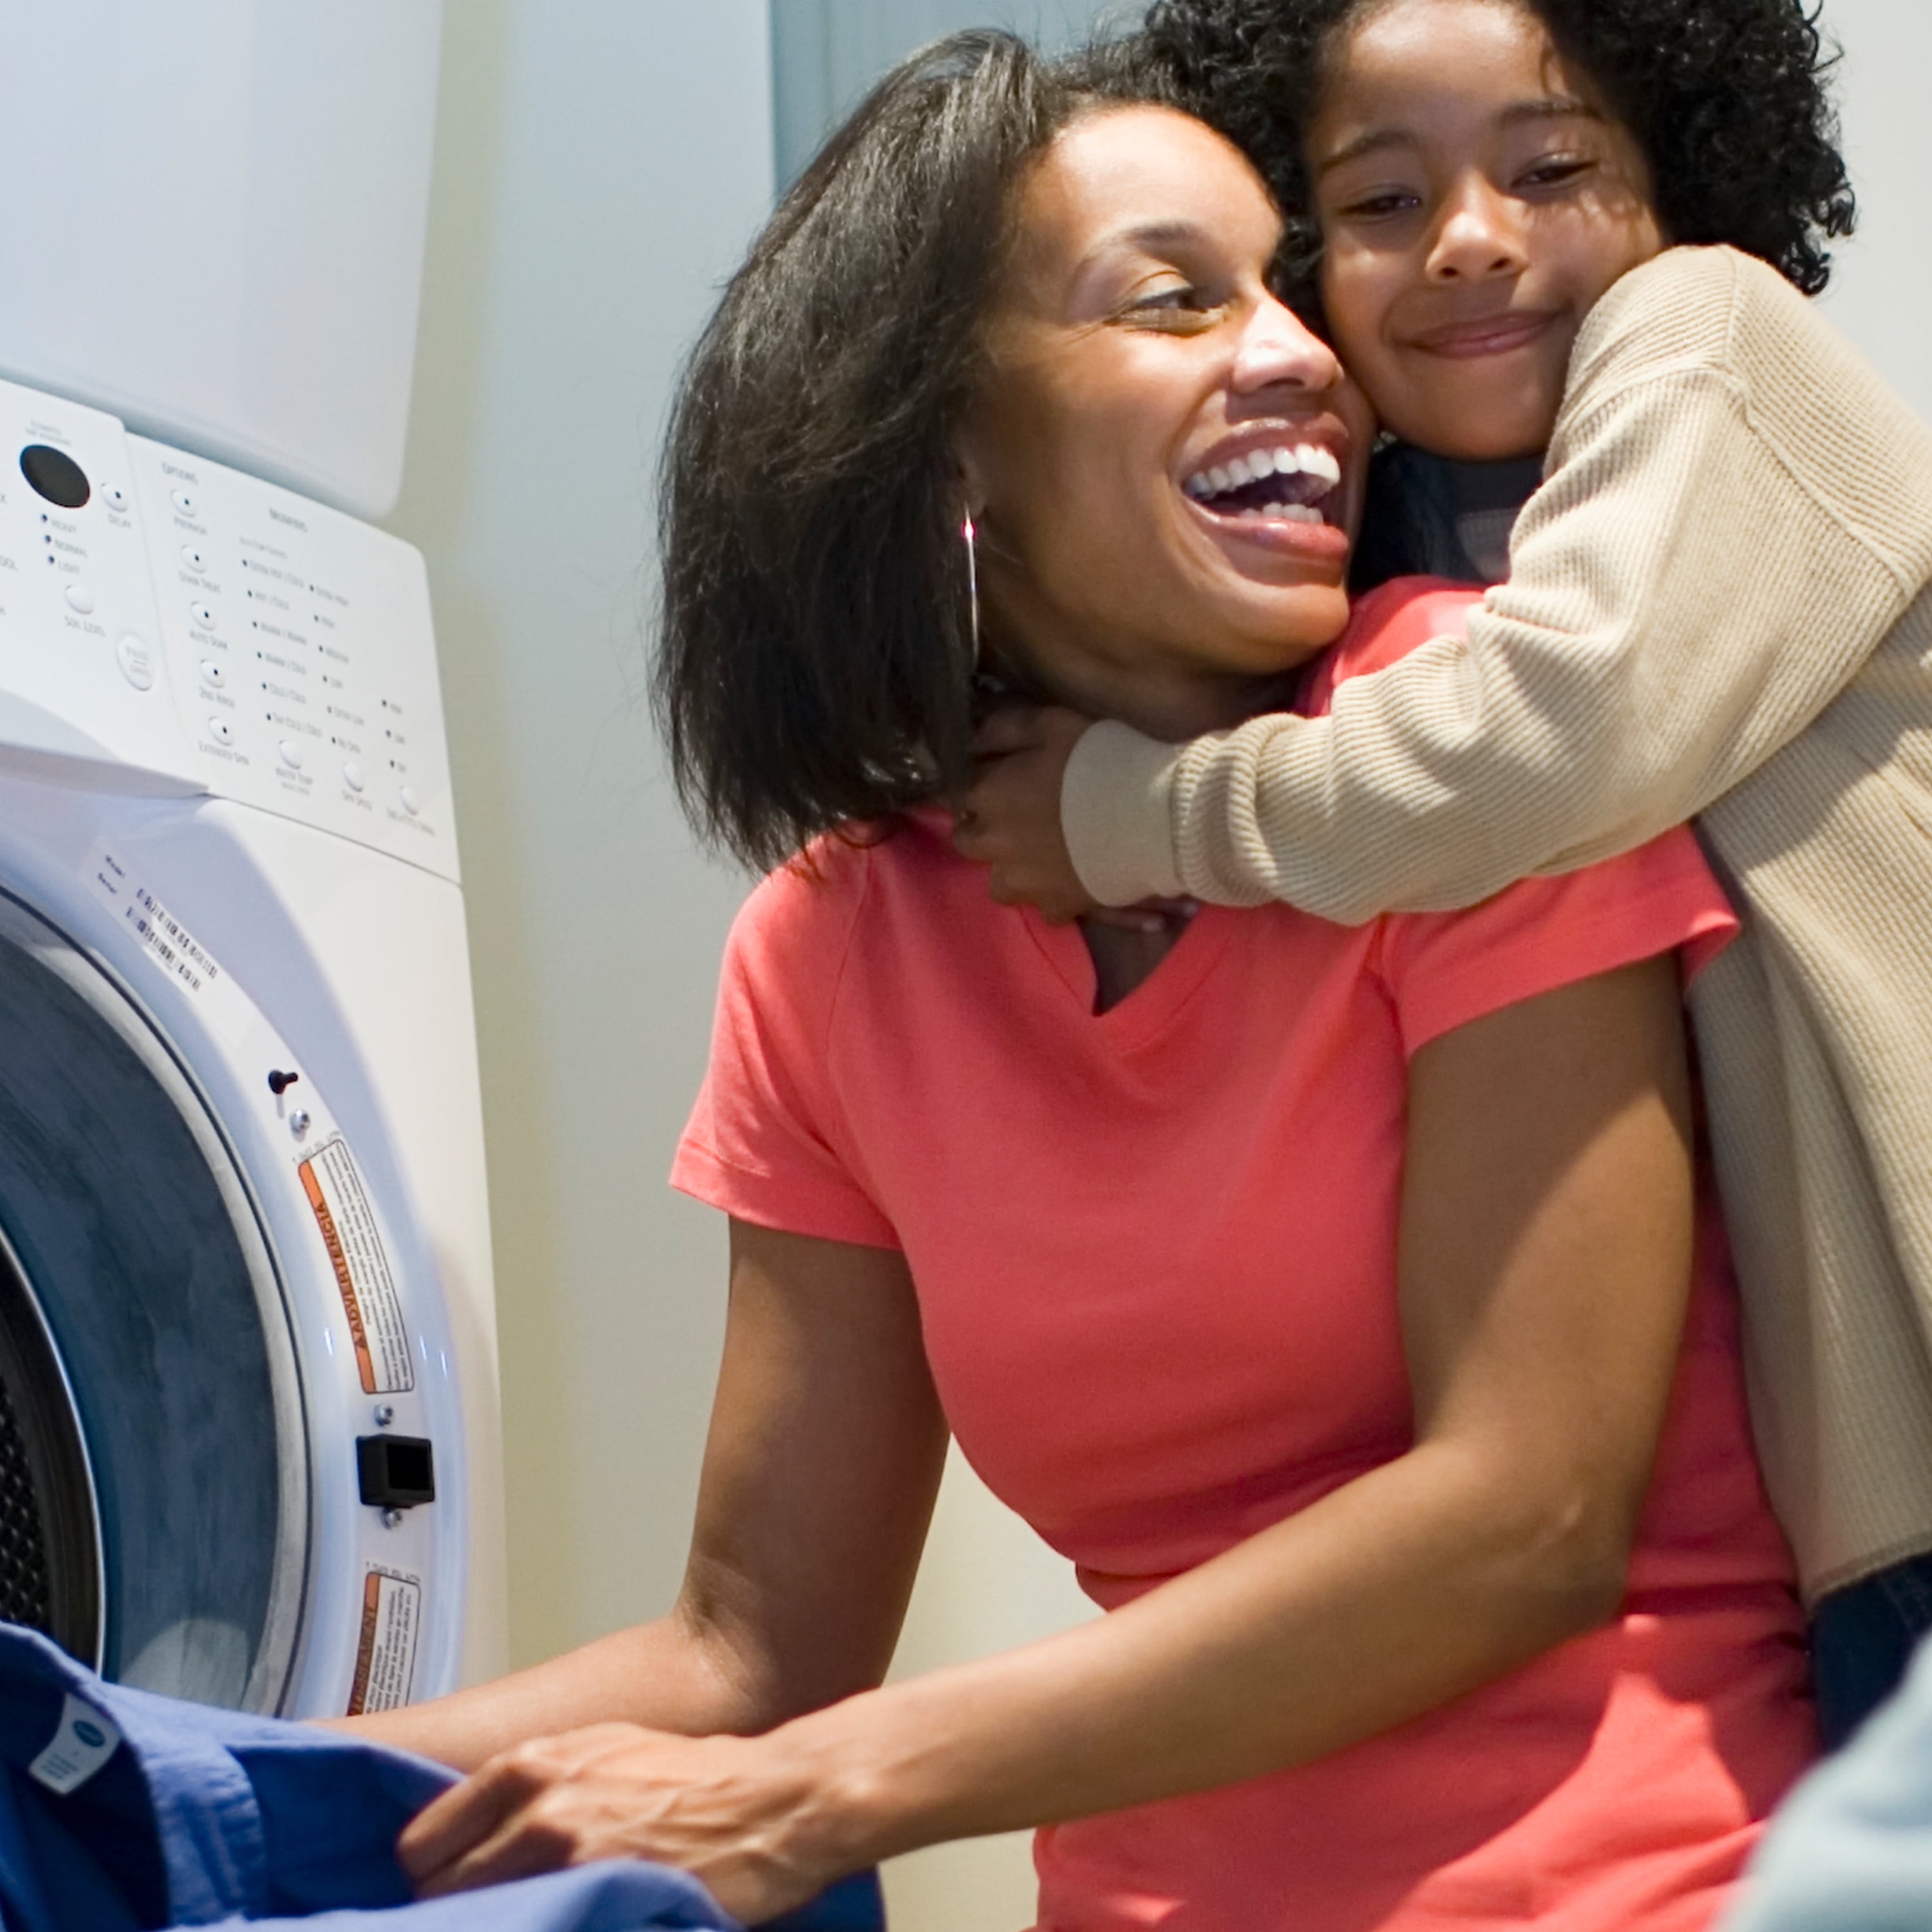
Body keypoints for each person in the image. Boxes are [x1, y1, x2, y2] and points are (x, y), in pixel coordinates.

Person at [343, 34, 1813, 1929]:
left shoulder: (1462, 755)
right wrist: (179, 1786)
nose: (1299, 354)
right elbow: (751, 1648)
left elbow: (1524, 1515)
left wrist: (821, 1794)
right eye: (1174, 300)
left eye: (1285, 286)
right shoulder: (837, 945)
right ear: (944, 440)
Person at [953, 0, 1932, 1747]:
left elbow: (1558, 731)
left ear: (1678, 180)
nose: (1472, 239)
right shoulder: (1392, 552)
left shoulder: (1708, 339)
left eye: (1550, 170)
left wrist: (1133, 814)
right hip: (1848, 1518)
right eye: (1382, 203)